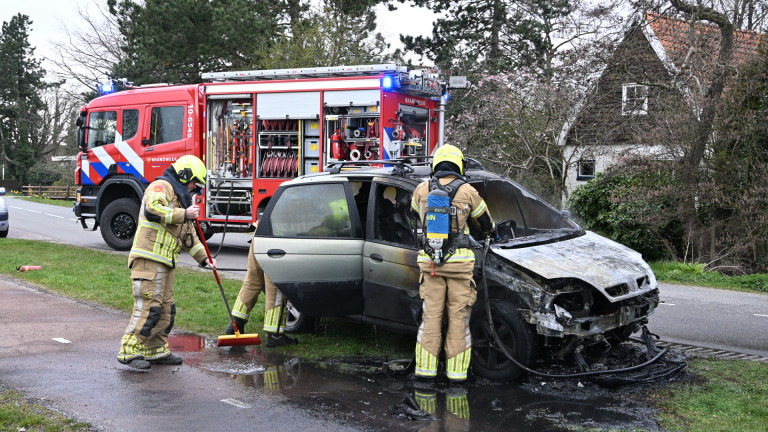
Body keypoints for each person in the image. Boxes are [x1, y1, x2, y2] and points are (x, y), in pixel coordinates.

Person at [117, 155, 217, 370]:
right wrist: (185, 213)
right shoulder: (161, 186)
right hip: (148, 259)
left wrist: (205, 259)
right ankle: (129, 350)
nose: (195, 188)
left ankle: (155, 350)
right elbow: (153, 209)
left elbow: (189, 237)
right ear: (184, 175)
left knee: (166, 310)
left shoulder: (181, 200)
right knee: (148, 307)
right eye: (194, 183)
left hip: (165, 261)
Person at [411, 145, 495, 385]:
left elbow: (415, 215)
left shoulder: (421, 189)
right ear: (460, 165)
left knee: (431, 318)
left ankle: (425, 372)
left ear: (435, 164)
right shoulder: (468, 190)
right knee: (458, 319)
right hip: (460, 267)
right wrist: (490, 232)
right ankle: (456, 375)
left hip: (431, 264)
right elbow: (486, 223)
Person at [223, 232, 299, 348]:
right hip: (277, 239)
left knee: (252, 281)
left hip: (259, 236)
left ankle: (235, 325)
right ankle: (275, 335)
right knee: (276, 287)